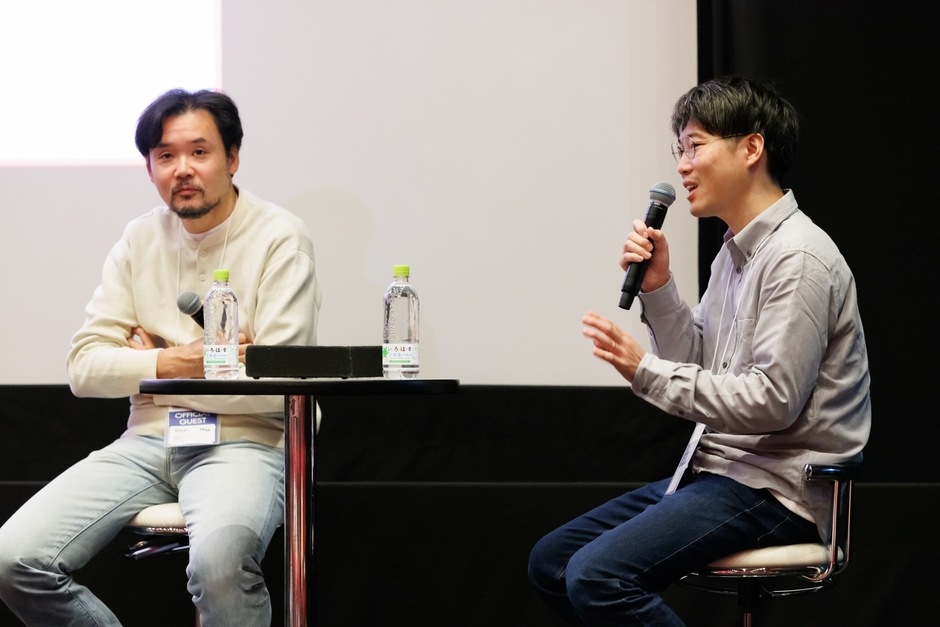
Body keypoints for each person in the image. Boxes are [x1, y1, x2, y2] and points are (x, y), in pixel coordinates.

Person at [528, 76, 871, 626]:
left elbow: (772, 402)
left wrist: (645, 370)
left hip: (780, 492)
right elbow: (700, 365)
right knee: (553, 562)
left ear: (751, 148)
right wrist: (659, 288)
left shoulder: (799, 258)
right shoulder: (734, 255)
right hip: (720, 473)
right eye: (680, 150)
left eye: (695, 146)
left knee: (596, 575)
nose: (682, 167)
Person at [0, 89, 322, 626]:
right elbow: (84, 369)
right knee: (13, 558)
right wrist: (177, 363)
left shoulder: (280, 237)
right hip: (149, 440)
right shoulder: (139, 238)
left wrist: (148, 366)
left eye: (199, 152)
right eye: (166, 155)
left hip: (246, 441)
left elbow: (278, 384)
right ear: (150, 168)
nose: (182, 169)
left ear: (233, 158)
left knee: (219, 568)